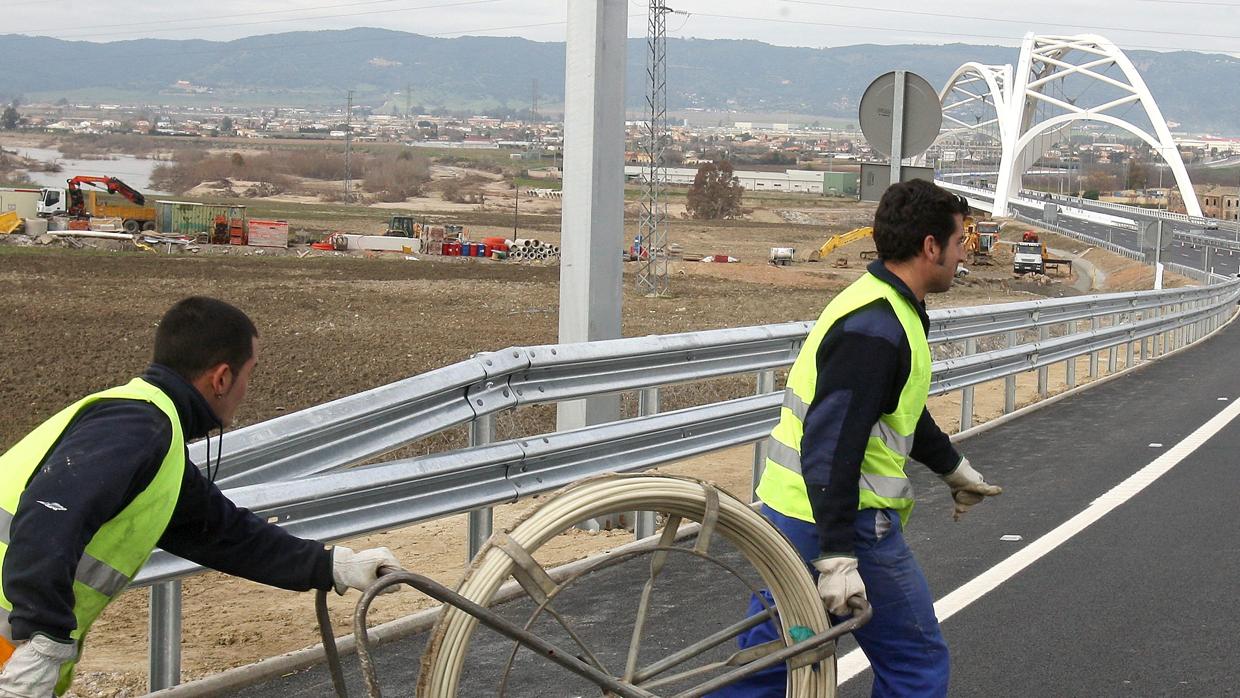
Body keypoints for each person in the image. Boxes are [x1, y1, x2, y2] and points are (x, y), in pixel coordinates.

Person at [0, 297, 401, 697]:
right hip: (16, 658)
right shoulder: (136, 428)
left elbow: (224, 534)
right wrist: (43, 640)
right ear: (222, 378)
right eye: (250, 373)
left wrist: (335, 566)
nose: (248, 387)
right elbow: (48, 515)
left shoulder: (151, 434)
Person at [712, 180, 1004, 697]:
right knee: (915, 663)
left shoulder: (878, 304)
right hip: (845, 522)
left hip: (789, 512)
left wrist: (953, 469)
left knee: (768, 665)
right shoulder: (877, 327)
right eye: (959, 242)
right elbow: (832, 444)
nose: (963, 256)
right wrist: (839, 555)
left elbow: (896, 414)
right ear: (930, 247)